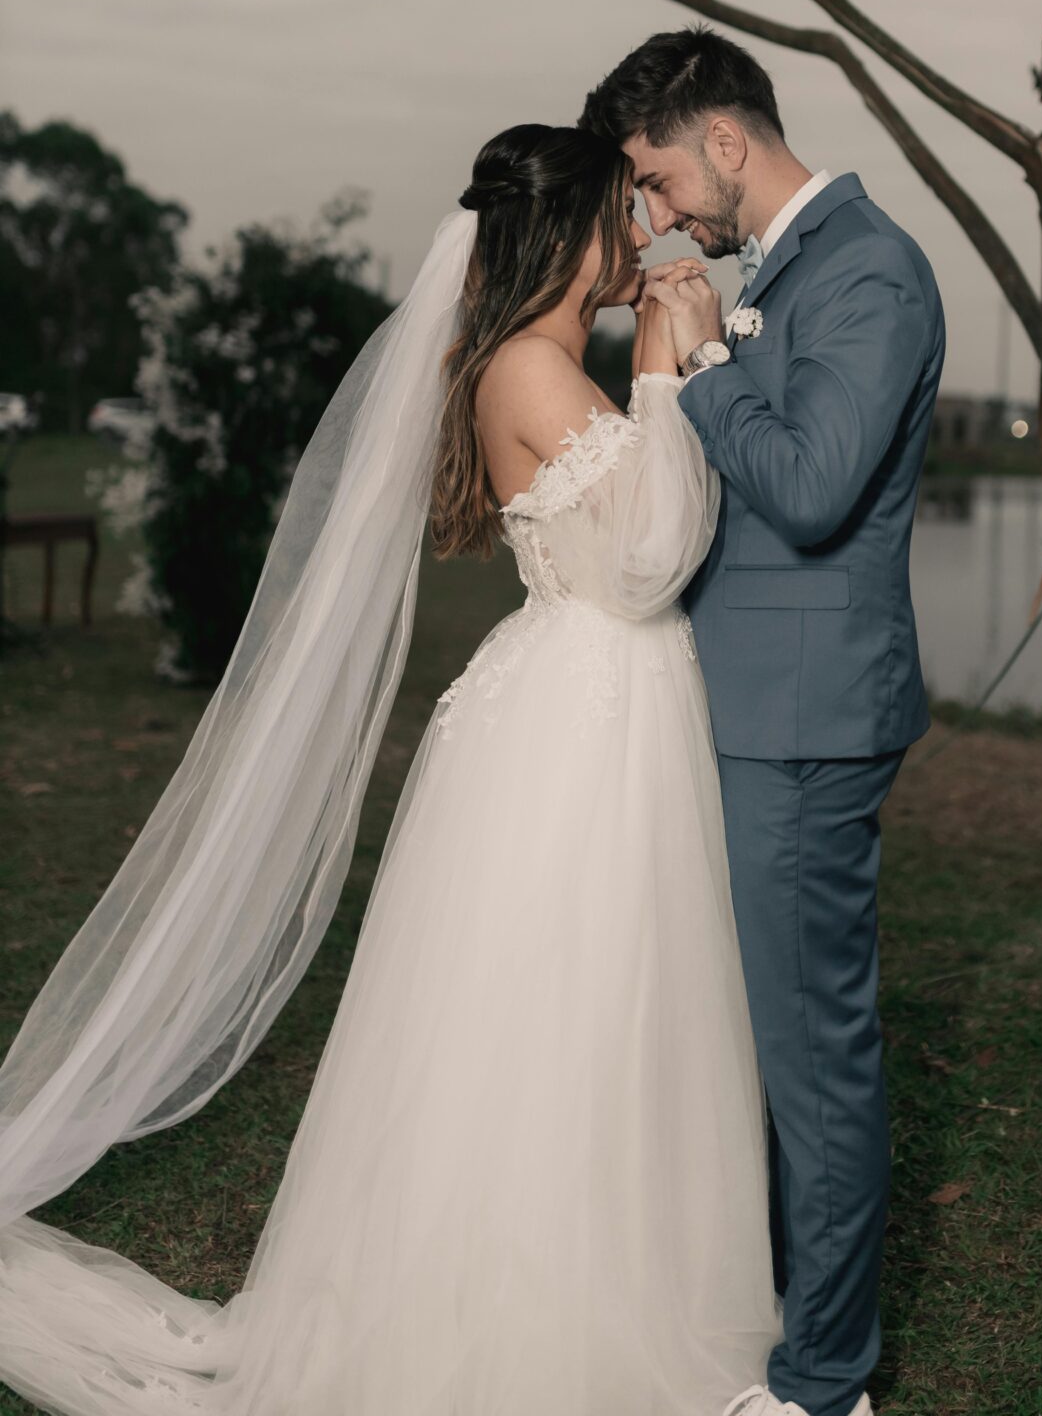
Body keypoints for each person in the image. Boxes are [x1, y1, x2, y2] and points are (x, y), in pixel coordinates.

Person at [0, 124, 782, 1416]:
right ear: (562, 234)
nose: (629, 238)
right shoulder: (535, 372)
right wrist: (663, 365)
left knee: (620, 1005)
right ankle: (539, 1317)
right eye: (610, 217)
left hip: (602, 709)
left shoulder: (537, 362)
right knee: (570, 1012)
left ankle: (637, 1281)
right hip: (583, 720)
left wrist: (674, 361)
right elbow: (648, 561)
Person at [581, 24, 947, 1416]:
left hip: (805, 721)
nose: (658, 210)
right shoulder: (784, 270)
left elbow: (806, 489)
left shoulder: (872, 271)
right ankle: (778, 1312)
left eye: (660, 177)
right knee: (759, 1045)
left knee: (815, 1057)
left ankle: (825, 1385)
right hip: (740, 701)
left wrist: (701, 366)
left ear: (724, 140)